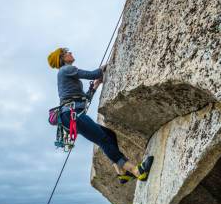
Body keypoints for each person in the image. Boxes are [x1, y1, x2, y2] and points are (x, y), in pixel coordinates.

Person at [47, 47, 154, 184]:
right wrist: (106, 67)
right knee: (103, 139)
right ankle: (136, 171)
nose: (70, 53)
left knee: (109, 135)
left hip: (71, 115)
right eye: (67, 52)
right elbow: (92, 74)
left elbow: (83, 98)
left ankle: (121, 173)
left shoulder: (65, 73)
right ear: (62, 58)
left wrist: (95, 86)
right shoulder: (66, 69)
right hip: (72, 114)